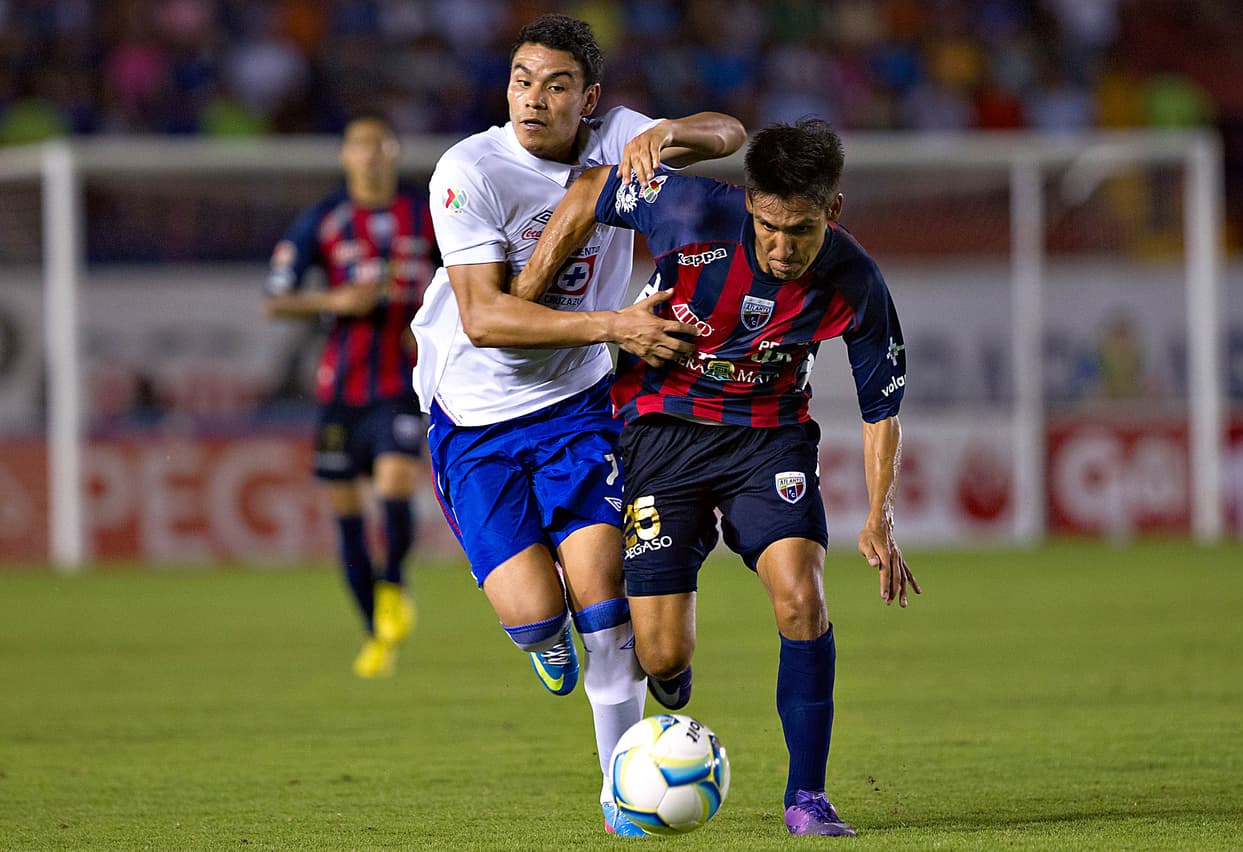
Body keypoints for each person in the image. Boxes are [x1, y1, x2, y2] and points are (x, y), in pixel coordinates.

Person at [514, 118, 921, 837]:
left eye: (801, 230)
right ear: (749, 202)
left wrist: (879, 516)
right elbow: (587, 191)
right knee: (661, 653)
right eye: (768, 226)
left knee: (802, 599)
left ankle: (807, 797)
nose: (782, 247)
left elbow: (880, 407)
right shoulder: (689, 208)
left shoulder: (855, 278)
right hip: (663, 433)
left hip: (768, 441)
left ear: (832, 210)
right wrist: (526, 294)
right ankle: (670, 673)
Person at [409, 13, 745, 837]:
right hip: (476, 419)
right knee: (536, 615)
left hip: (578, 411)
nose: (534, 99)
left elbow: (731, 134)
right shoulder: (469, 170)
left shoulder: (618, 138)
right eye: (522, 81)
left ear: (587, 100)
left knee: (606, 616)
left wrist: (669, 134)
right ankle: (538, 636)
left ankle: (620, 799)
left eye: (556, 86)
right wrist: (614, 327)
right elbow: (486, 319)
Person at [264, 113, 435, 678]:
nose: (370, 154)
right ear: (344, 155)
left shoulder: (426, 215)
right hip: (340, 390)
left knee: (395, 485)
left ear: (395, 153)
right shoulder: (325, 219)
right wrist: (333, 302)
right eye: (360, 145)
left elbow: (468, 278)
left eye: (380, 145)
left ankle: (394, 583)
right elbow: (275, 298)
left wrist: (434, 324)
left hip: (400, 383)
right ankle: (374, 632)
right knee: (347, 516)